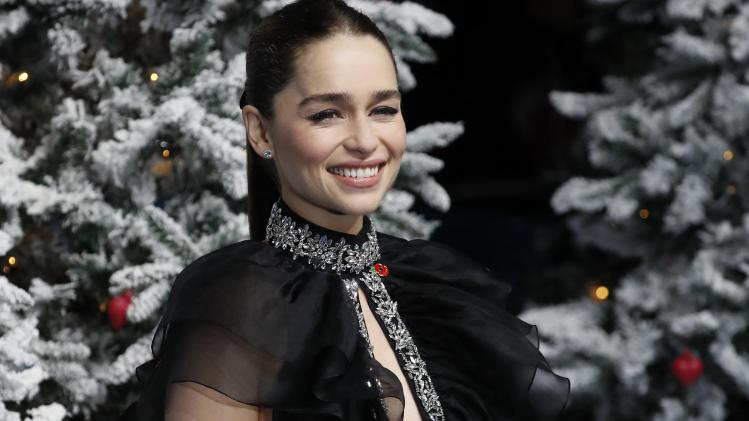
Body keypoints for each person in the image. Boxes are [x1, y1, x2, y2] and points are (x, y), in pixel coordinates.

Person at [118, 0, 571, 420]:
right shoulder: (239, 305)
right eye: (326, 114)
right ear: (260, 131)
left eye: (383, 109)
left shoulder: (430, 286)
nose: (365, 141)